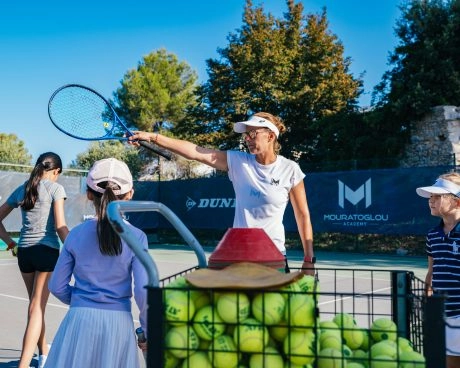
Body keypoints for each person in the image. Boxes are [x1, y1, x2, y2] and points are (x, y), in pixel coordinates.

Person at [128, 112, 315, 275]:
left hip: (274, 257)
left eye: (252, 133)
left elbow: (302, 215)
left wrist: (308, 259)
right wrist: (152, 137)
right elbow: (195, 152)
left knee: (275, 316)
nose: (247, 139)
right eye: (245, 135)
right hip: (239, 258)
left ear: (271, 136)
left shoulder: (290, 169)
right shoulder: (237, 161)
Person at [44, 158, 148, 368]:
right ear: (130, 195)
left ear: (89, 194)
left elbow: (56, 286)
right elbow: (143, 292)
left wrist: (82, 299)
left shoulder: (75, 235)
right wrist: (147, 330)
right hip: (118, 324)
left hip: (79, 320)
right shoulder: (137, 236)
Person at [0, 152, 69, 368]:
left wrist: (11, 243)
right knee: (36, 308)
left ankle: (44, 354)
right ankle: (24, 365)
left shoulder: (23, 188)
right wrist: (77, 249)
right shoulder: (56, 189)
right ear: (55, 171)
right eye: (58, 174)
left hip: (25, 254)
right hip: (46, 252)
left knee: (35, 307)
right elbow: (60, 227)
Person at [416, 172, 460, 368]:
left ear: (457, 202)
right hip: (443, 314)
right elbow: (431, 271)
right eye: (430, 197)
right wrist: (428, 302)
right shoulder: (433, 235)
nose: (431, 201)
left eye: (437, 196)